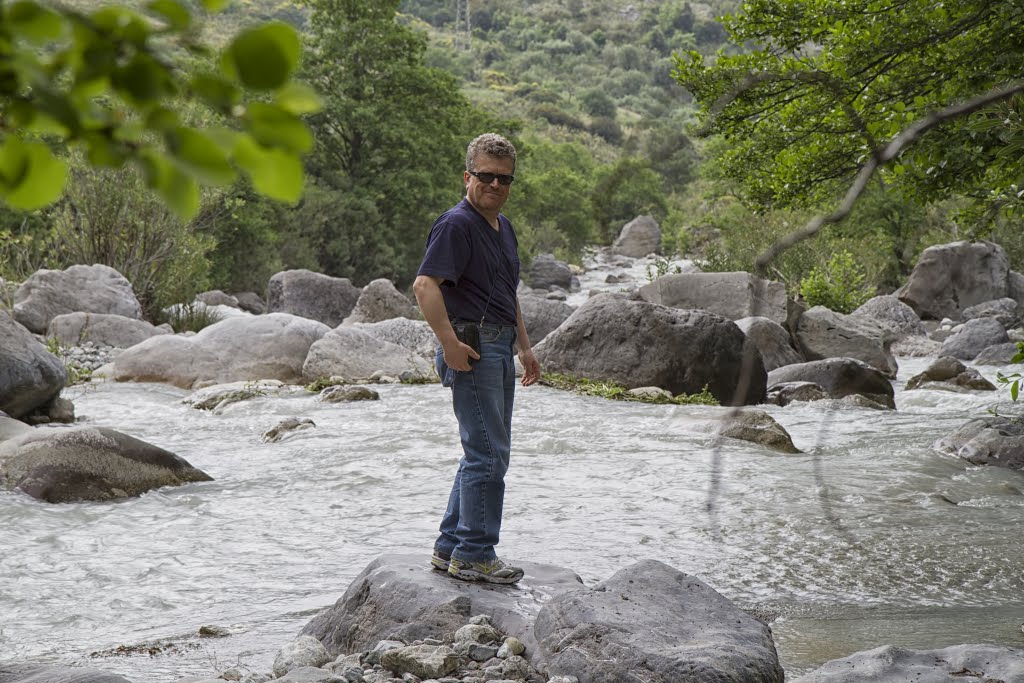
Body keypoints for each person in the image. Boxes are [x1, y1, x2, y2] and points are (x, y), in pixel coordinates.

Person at [412, 133, 541, 585]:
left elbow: (508, 294)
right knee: (488, 454)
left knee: (480, 452)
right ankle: (475, 554)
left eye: (504, 179)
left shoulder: (503, 228)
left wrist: (525, 347)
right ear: (467, 176)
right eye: (485, 176)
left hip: (500, 346)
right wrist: (448, 344)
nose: (495, 185)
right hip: (472, 347)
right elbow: (425, 286)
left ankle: (451, 546)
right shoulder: (457, 224)